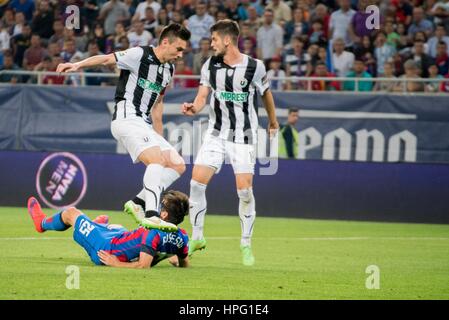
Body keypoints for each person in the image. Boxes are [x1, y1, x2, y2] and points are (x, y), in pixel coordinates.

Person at [56, 23, 191, 233]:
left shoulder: (169, 69)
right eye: (179, 49)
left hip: (144, 124)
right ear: (166, 42)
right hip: (127, 118)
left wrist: (158, 134)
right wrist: (77, 65)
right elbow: (107, 58)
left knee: (177, 164)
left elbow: (158, 103)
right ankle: (152, 214)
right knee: (156, 161)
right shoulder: (139, 54)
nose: (181, 55)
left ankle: (138, 202)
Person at [181, 20, 279, 266]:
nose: (210, 44)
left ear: (227, 40)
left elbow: (266, 93)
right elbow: (203, 95)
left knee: (244, 191)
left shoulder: (255, 67)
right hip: (216, 134)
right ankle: (198, 237)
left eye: (214, 39)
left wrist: (273, 121)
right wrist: (195, 106)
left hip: (243, 136)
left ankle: (245, 243)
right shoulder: (210, 65)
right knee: (195, 184)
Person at [25, 190, 190, 269]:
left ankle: (42, 224)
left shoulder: (152, 231)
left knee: (71, 213)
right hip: (119, 237)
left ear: (164, 214)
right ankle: (98, 225)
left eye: (161, 205)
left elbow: (143, 266)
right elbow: (184, 263)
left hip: (106, 248)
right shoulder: (182, 236)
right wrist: (173, 257)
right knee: (118, 227)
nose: (157, 204)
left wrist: (116, 263)